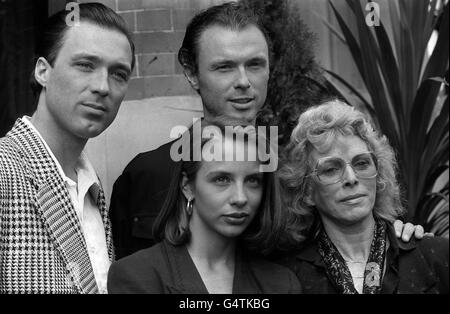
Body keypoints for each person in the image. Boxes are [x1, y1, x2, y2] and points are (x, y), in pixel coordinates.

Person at [109, 1, 423, 260]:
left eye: (255, 64)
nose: (244, 81)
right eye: (225, 67)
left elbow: (350, 242)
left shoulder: (295, 177)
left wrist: (398, 239)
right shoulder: (146, 176)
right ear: (192, 73)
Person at [0, 3, 134, 294]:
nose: (103, 86)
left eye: (119, 74)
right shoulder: (5, 171)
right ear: (42, 72)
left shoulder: (91, 190)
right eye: (85, 65)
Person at [107, 119, 301, 294]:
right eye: (222, 179)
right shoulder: (137, 276)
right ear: (187, 186)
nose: (240, 198)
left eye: (253, 180)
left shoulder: (282, 284)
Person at [278, 99, 449, 294]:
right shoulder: (286, 276)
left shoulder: (435, 259)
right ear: (307, 190)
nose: (351, 179)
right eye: (331, 169)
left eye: (361, 163)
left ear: (378, 175)